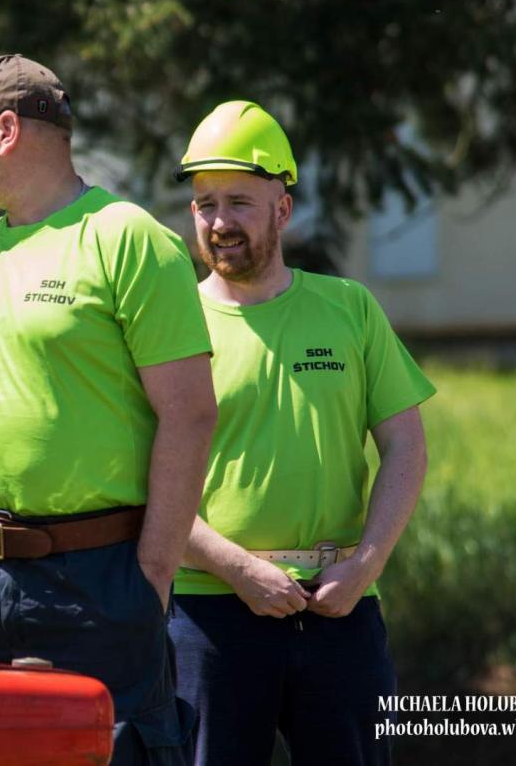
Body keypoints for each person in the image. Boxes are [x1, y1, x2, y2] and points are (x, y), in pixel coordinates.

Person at [0, 54, 218, 765]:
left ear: (6, 128)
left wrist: (151, 576)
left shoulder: (128, 239)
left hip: (98, 580)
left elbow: (191, 415)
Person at [169, 101, 435, 766]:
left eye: (239, 202)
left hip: (339, 607)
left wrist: (366, 563)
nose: (219, 222)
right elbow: (142, 478)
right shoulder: (167, 326)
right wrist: (238, 569)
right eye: (205, 204)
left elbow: (406, 443)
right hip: (208, 612)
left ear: (283, 210)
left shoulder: (349, 307)